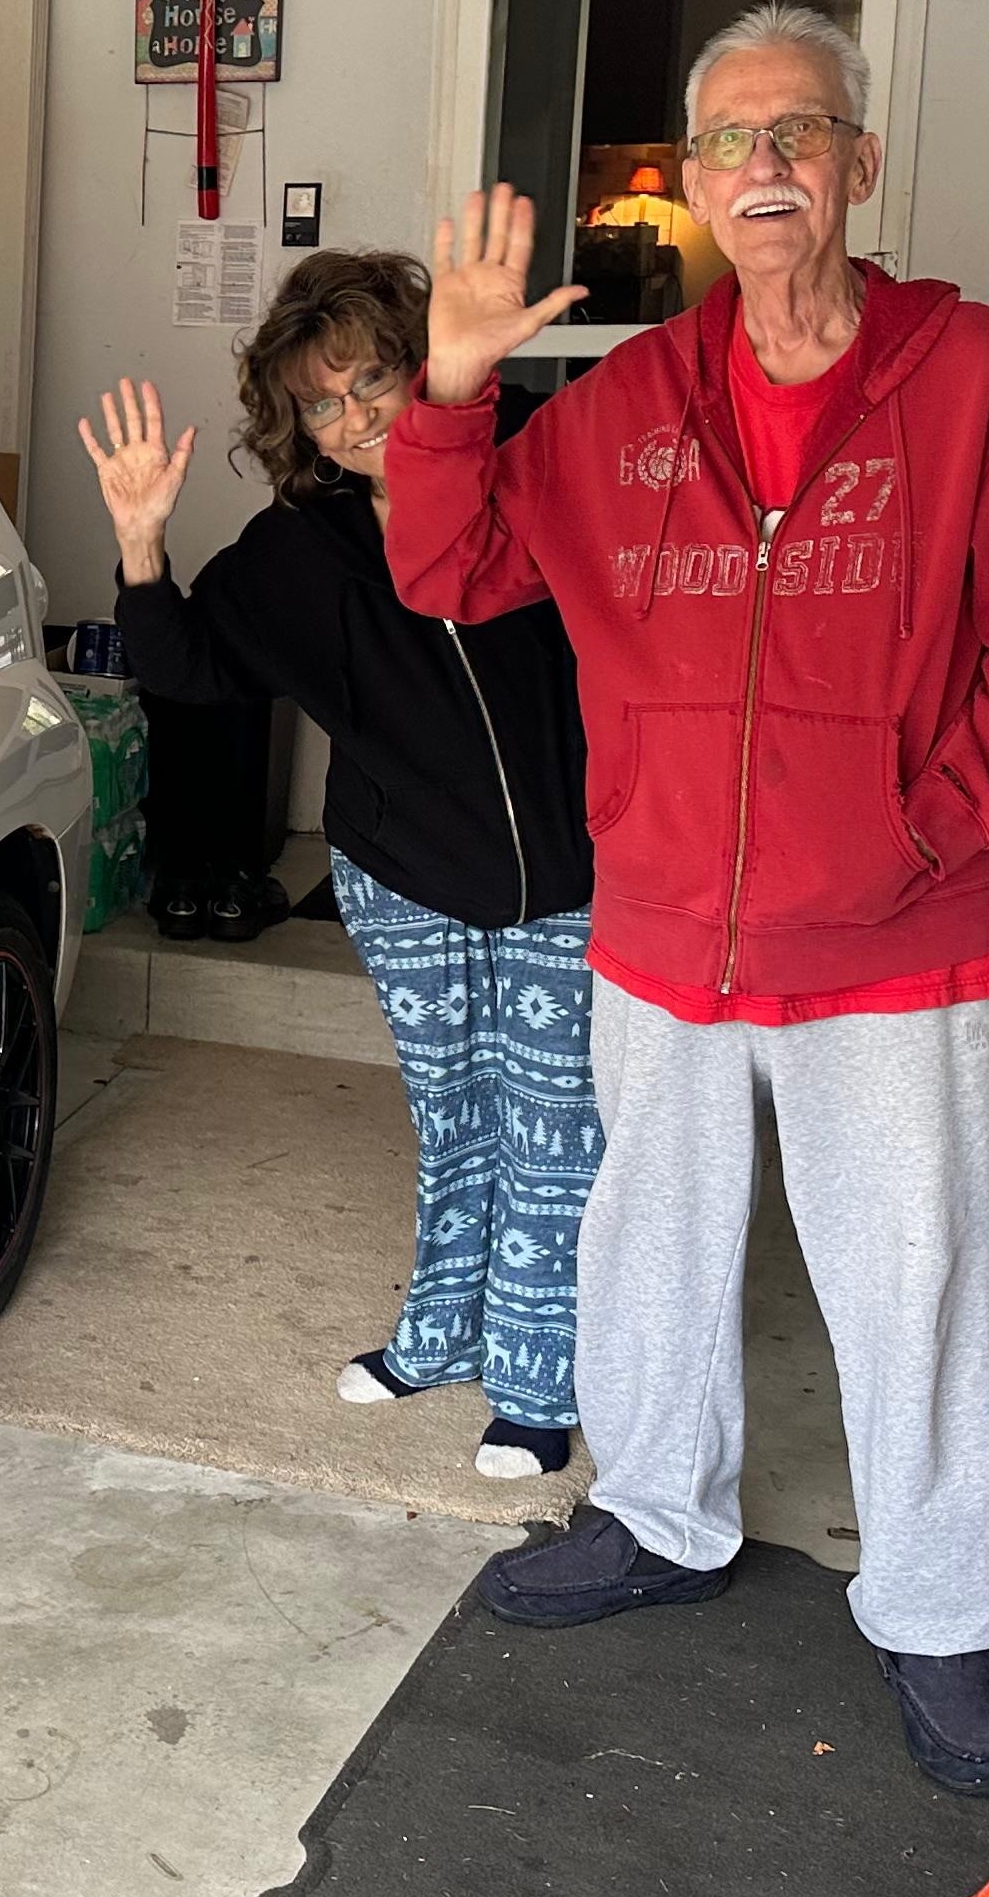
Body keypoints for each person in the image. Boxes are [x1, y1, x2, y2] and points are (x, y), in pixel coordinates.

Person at [386, 2, 989, 1795]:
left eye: (799, 131)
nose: (764, 163)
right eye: (728, 140)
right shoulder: (627, 401)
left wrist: (909, 837)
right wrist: (456, 387)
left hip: (899, 940)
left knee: (912, 1280)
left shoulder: (972, 377)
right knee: (647, 1253)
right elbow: (453, 565)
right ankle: (655, 1511)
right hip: (664, 934)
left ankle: (938, 1610)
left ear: (860, 168)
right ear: (693, 187)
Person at [78, 248, 599, 1480]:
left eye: (376, 381)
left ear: (430, 372)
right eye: (326, 399)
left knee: (556, 1128)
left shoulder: (538, 475)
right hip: (402, 874)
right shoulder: (294, 552)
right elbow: (192, 670)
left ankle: (535, 1375)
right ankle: (436, 1334)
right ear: (295, 416)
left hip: (574, 873)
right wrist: (142, 545)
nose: (358, 417)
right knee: (451, 1114)